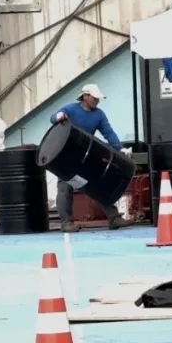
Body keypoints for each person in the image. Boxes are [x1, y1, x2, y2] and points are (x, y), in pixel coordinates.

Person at [49, 83, 134, 233]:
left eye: (98, 98)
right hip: (67, 156)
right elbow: (53, 118)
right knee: (65, 187)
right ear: (85, 96)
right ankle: (66, 223)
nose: (96, 101)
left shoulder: (99, 115)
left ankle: (113, 218)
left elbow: (108, 133)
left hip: (86, 155)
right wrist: (59, 116)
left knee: (100, 184)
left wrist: (120, 149)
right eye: (93, 98)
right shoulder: (70, 109)